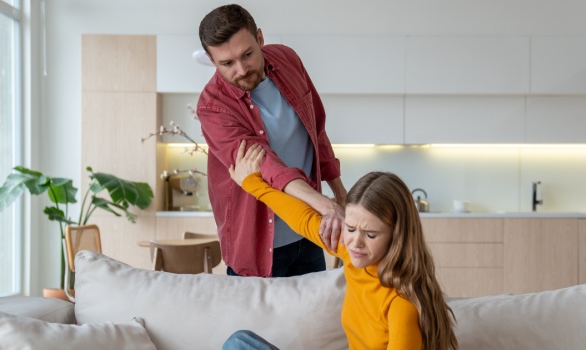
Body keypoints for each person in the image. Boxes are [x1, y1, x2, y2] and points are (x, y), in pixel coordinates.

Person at [224, 140, 458, 350]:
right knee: (239, 342)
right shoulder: (352, 252)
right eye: (351, 228)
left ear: (396, 236)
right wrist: (252, 184)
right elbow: (303, 219)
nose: (355, 242)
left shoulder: (401, 305)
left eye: (371, 234)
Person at [196, 4, 347, 277]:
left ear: (260, 39)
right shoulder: (213, 106)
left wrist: (340, 192)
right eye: (227, 63)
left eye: (248, 54)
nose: (241, 70)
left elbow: (317, 129)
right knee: (253, 322)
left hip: (309, 230)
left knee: (312, 320)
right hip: (256, 247)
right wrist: (324, 204)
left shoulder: (287, 59)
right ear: (211, 59)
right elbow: (267, 165)